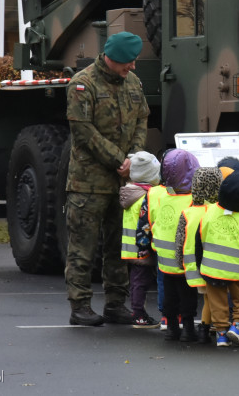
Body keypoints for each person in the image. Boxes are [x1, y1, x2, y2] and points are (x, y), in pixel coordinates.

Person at [65, 31, 150, 326]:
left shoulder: (133, 83)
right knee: (83, 245)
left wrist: (135, 159)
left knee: (120, 245)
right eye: (128, 62)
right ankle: (80, 306)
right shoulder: (82, 83)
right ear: (112, 59)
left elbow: (142, 118)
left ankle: (116, 303)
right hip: (88, 182)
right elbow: (83, 130)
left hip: (123, 182)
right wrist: (119, 160)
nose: (133, 67)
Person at [197, 170, 239, 347]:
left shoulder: (208, 212)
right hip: (237, 270)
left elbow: (198, 239)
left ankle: (221, 334)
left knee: (217, 303)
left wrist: (200, 263)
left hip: (211, 269)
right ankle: (238, 325)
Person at [149, 149, 200, 341]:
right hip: (185, 259)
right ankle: (188, 329)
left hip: (164, 257)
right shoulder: (193, 201)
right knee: (187, 295)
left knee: (169, 294)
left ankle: (171, 327)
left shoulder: (163, 197)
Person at [175, 165, 223, 344]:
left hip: (191, 265)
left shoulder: (187, 212)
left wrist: (180, 261)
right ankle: (207, 329)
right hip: (212, 264)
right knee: (212, 297)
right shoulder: (218, 212)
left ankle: (189, 329)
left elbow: (180, 238)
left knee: (191, 298)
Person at [119, 151, 162, 329]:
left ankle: (138, 311)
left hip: (131, 246)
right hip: (141, 247)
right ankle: (138, 314)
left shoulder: (131, 192)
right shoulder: (145, 196)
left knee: (137, 280)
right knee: (141, 282)